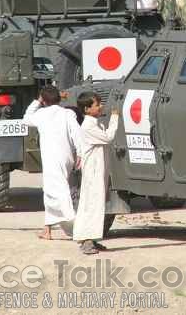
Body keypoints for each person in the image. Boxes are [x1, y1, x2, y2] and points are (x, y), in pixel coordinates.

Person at [24, 85, 84, 240]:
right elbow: (77, 133)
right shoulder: (67, 113)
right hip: (66, 157)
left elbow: (27, 117)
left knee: (59, 191)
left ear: (43, 100)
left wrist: (38, 101)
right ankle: (47, 229)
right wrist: (80, 153)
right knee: (50, 191)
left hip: (52, 158)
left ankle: (78, 226)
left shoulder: (41, 114)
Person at [73, 92, 119, 254]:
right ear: (87, 109)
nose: (100, 107)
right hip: (93, 172)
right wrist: (114, 118)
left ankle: (92, 238)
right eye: (96, 105)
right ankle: (86, 240)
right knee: (91, 205)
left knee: (96, 204)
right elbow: (108, 138)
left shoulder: (95, 123)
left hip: (98, 170)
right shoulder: (89, 126)